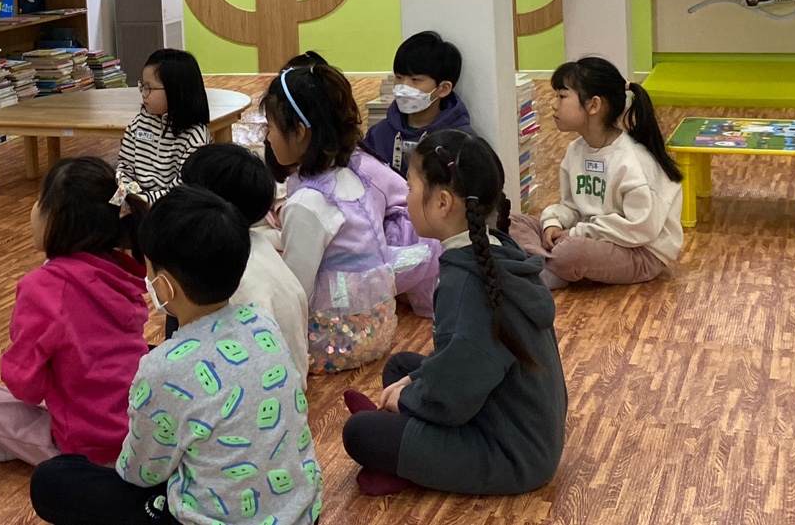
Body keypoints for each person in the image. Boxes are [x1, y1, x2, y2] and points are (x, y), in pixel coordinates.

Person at [31, 187, 324, 525]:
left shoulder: (162, 369)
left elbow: (139, 472)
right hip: (302, 514)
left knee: (51, 481)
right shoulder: (263, 322)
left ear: (164, 286)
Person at [342, 130, 567, 497]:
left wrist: (409, 399)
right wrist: (413, 383)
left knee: (360, 434)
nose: (406, 195)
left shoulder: (465, 282)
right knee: (400, 368)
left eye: (410, 186)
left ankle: (405, 465)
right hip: (517, 422)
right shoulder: (493, 248)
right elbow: (462, 359)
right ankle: (409, 456)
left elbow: (457, 390)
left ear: (442, 202)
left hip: (512, 454)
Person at [0, 157, 149, 467]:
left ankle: (43, 453)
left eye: (38, 201)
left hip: (89, 442)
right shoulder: (122, 273)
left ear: (55, 216)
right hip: (141, 428)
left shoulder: (44, 287)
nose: (33, 210)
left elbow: (25, 387)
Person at [263, 59, 440, 373]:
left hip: (331, 342)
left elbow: (295, 292)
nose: (266, 137)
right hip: (377, 331)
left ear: (299, 132)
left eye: (271, 127)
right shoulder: (354, 174)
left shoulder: (307, 202)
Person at [509, 57, 683, 289]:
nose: (553, 105)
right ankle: (547, 265)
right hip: (590, 236)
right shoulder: (576, 150)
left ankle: (543, 267)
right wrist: (553, 223)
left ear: (593, 105)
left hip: (639, 251)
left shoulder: (632, 161)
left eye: (562, 97)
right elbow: (571, 206)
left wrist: (576, 233)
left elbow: (642, 228)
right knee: (513, 222)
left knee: (571, 251)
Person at [179, 142, 310, 378]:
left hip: (259, 386)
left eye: (187, 190)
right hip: (287, 380)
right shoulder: (256, 244)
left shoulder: (228, 268)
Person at [361, 31, 475, 176]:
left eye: (415, 80)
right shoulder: (379, 134)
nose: (403, 87)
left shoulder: (462, 143)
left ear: (443, 89)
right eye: (399, 77)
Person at [117, 48, 210, 203]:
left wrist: (143, 202)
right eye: (142, 86)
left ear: (176, 91)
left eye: (149, 88)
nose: (143, 93)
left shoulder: (195, 137)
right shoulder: (138, 124)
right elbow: (124, 168)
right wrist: (128, 196)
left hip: (170, 208)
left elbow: (184, 188)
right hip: (135, 202)